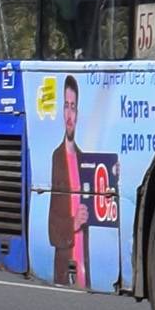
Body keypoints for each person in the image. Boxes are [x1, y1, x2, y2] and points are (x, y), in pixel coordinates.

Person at [47, 73, 89, 285]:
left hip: (85, 264)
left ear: (78, 113)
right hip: (64, 264)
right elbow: (52, 223)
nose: (69, 114)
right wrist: (73, 223)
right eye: (66, 106)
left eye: (73, 107)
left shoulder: (84, 159)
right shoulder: (57, 157)